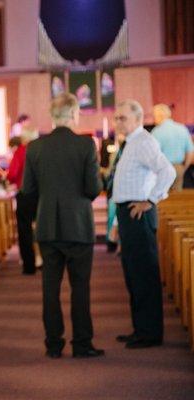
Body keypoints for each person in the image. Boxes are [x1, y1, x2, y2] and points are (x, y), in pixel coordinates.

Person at [22, 93, 103, 359]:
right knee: (80, 288)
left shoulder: (35, 147)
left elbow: (28, 190)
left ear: (54, 117)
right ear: (73, 114)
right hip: (79, 226)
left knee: (50, 288)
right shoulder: (86, 145)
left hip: (47, 225)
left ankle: (53, 345)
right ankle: (82, 344)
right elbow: (93, 189)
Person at [112, 100, 176, 349]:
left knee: (145, 276)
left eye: (123, 118)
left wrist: (151, 199)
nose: (118, 122)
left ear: (138, 119)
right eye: (117, 118)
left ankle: (150, 334)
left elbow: (167, 171)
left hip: (139, 215)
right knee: (133, 275)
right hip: (129, 214)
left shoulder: (144, 141)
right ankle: (140, 329)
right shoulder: (131, 142)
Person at [7, 128, 39, 274]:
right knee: (42, 227)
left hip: (25, 194)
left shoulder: (21, 151)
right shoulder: (40, 150)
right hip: (42, 195)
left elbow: (13, 173)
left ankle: (29, 265)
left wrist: (9, 179)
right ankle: (45, 260)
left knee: (25, 230)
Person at [151, 103, 194, 190]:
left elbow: (152, 155)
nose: (154, 119)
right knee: (177, 199)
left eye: (154, 116)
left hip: (162, 169)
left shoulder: (156, 132)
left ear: (159, 116)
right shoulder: (182, 128)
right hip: (179, 168)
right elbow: (190, 152)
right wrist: (184, 167)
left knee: (162, 198)